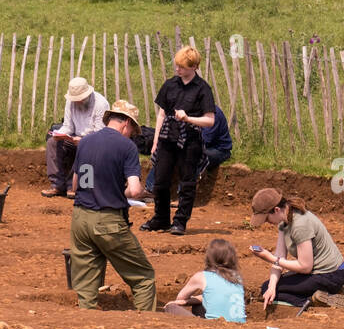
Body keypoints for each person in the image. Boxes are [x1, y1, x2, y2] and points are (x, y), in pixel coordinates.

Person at [68, 99, 157, 311]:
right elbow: (134, 190)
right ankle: (149, 324)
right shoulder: (126, 146)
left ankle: (85, 320)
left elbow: (75, 184)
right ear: (126, 123)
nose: (132, 135)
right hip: (108, 221)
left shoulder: (86, 141)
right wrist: (124, 190)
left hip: (80, 219)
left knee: (87, 284)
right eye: (133, 130)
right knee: (144, 277)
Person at [141, 46, 216, 236]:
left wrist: (188, 118)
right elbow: (162, 114)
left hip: (190, 141)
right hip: (168, 137)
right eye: (177, 66)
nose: (178, 70)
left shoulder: (202, 89)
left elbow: (210, 120)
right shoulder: (170, 85)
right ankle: (161, 218)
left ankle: (180, 221)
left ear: (194, 67)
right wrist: (156, 140)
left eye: (182, 67)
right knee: (160, 180)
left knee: (188, 182)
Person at [248, 188, 344, 309]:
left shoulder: (300, 225)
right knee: (267, 288)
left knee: (277, 292)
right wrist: (271, 286)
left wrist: (269, 258)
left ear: (276, 210)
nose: (266, 222)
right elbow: (280, 256)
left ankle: (323, 300)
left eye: (266, 218)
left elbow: (305, 267)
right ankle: (322, 295)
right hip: (316, 273)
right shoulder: (284, 219)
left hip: (330, 275)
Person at [43, 76, 109, 198]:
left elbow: (101, 133)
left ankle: (73, 186)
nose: (77, 101)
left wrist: (84, 140)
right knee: (52, 142)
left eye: (80, 99)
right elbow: (68, 125)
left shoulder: (101, 104)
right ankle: (57, 185)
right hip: (73, 137)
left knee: (85, 146)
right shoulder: (70, 102)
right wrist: (60, 134)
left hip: (94, 140)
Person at [163, 238, 247, 322]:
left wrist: (187, 301)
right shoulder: (237, 277)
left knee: (171, 307)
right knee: (199, 306)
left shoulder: (202, 276)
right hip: (240, 325)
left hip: (217, 327)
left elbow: (180, 298)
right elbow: (218, 297)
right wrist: (196, 299)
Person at [198, 105, 233, 179]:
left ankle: (192, 184)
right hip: (205, 148)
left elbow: (206, 140)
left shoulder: (212, 114)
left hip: (220, 150)